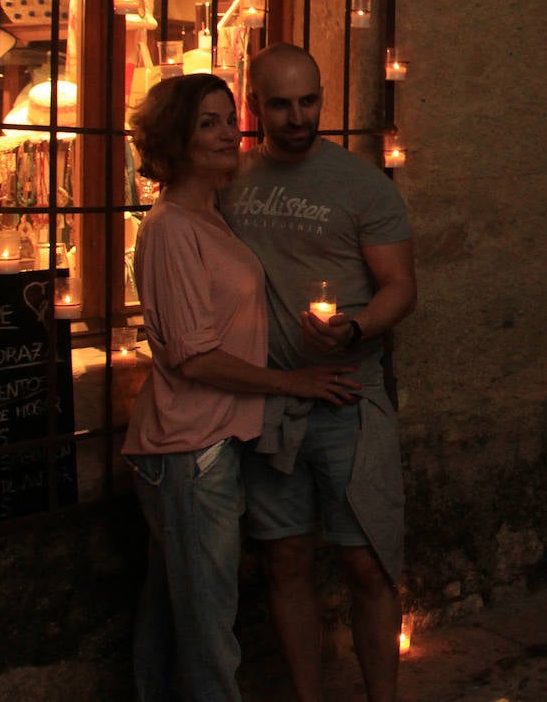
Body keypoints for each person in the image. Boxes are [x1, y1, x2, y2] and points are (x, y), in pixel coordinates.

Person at [122, 74, 353, 701]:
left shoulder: (213, 216)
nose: (228, 132)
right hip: (186, 448)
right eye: (207, 122)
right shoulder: (171, 226)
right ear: (176, 137)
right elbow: (194, 357)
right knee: (206, 626)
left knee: (174, 617)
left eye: (229, 119)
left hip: (208, 443)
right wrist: (290, 381)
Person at [221, 43, 416, 702]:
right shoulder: (234, 181)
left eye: (309, 100)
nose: (298, 115)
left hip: (348, 400)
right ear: (256, 104)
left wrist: (355, 328)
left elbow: (400, 287)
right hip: (270, 403)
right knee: (285, 558)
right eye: (281, 103)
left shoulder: (363, 184)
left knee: (366, 561)